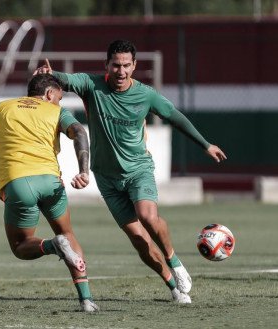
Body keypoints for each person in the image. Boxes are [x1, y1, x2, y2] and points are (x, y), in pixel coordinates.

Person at [35, 39, 227, 304]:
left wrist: (205, 145)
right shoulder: (91, 85)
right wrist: (49, 74)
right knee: (138, 238)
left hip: (138, 170)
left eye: (126, 65)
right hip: (106, 177)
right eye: (116, 65)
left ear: (134, 66)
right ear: (107, 65)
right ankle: (173, 287)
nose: (121, 71)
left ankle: (175, 261)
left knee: (147, 216)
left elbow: (175, 116)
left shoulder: (146, 94)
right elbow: (64, 79)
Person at [0, 74, 99, 312]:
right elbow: (79, 132)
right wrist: (83, 171)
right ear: (48, 94)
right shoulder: (56, 112)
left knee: (20, 245)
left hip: (18, 183)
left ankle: (53, 246)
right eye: (59, 97)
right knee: (68, 233)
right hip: (51, 182)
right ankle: (86, 299)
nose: (58, 102)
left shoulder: (3, 107)